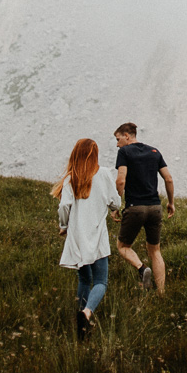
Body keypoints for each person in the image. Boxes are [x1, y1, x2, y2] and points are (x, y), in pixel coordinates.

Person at [51, 138, 121, 341]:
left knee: (84, 278)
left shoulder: (71, 178)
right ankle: (87, 312)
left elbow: (64, 206)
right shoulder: (105, 174)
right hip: (97, 234)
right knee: (101, 280)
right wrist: (115, 208)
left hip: (78, 235)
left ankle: (81, 320)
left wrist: (64, 226)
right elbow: (115, 201)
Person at [113, 122, 175, 294]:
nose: (117, 144)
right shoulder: (155, 152)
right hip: (155, 207)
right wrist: (171, 203)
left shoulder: (124, 152)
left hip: (135, 207)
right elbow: (168, 179)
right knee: (155, 251)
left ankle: (141, 269)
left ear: (127, 135)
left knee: (123, 246)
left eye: (118, 139)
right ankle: (161, 293)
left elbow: (121, 181)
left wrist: (116, 204)